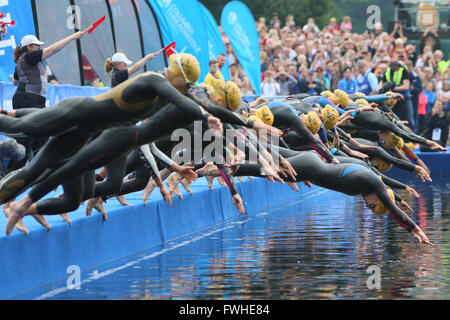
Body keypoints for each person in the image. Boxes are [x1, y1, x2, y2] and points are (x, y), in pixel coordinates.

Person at [0, 53, 223, 213]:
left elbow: (150, 138)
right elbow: (147, 143)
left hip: (97, 131)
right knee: (25, 138)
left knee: (73, 192)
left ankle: (26, 207)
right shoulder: (155, 85)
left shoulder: (163, 98)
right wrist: (165, 177)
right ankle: (23, 206)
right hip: (83, 115)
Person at [8, 31, 86, 173]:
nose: (39, 48)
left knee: (38, 139)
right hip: (29, 100)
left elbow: (14, 81)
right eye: (37, 46)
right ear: (30, 47)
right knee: (29, 139)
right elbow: (51, 50)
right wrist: (73, 37)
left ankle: (41, 173)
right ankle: (9, 174)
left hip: (31, 100)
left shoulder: (23, 59)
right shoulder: (30, 57)